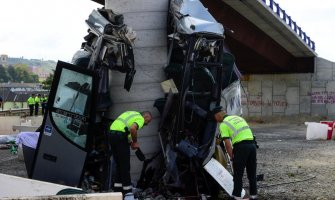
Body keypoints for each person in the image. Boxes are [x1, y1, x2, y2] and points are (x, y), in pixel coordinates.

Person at [213, 106, 258, 200]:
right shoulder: (238, 118)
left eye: (215, 118)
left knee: (238, 174)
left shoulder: (224, 124)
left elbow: (227, 144)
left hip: (241, 147)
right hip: (252, 146)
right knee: (252, 173)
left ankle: (236, 196)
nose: (216, 120)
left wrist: (232, 157)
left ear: (218, 115)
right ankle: (254, 196)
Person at [109, 110, 152, 199]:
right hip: (120, 136)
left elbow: (127, 129)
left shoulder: (132, 113)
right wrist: (135, 142)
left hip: (111, 134)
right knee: (125, 166)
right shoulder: (140, 119)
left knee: (119, 165)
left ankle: (118, 192)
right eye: (148, 121)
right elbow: (133, 128)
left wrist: (131, 142)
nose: (146, 124)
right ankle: (128, 194)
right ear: (146, 117)